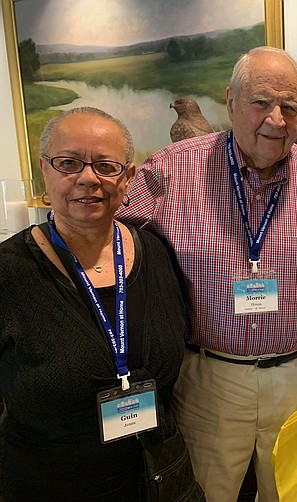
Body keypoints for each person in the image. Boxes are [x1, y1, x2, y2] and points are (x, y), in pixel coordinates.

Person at [116, 46, 297, 501]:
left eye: (289, 107)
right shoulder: (171, 170)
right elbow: (117, 253)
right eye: (261, 102)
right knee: (205, 494)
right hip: (208, 378)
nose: (276, 119)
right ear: (230, 101)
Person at [0, 107, 200, 500]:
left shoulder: (157, 253)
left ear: (127, 178)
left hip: (160, 479)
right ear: (46, 170)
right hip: (51, 485)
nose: (88, 179)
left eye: (106, 166)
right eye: (69, 163)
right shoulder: (8, 273)